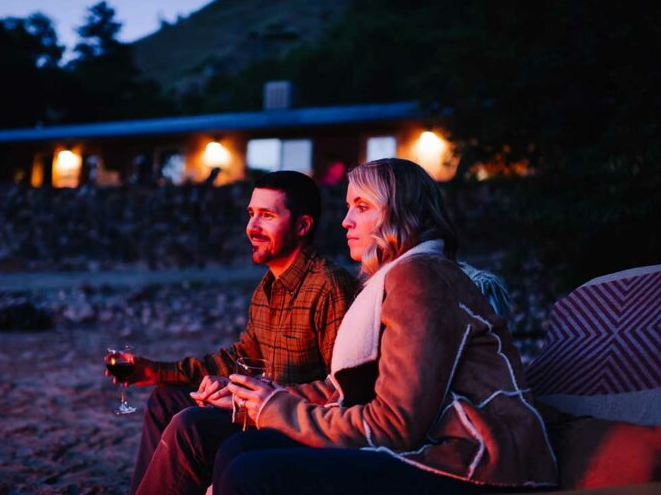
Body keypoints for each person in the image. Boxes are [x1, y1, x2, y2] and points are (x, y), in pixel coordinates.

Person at [214, 159, 559, 495]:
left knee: (252, 472)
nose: (346, 221)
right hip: (433, 443)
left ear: (401, 214)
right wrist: (262, 397)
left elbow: (393, 425)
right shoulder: (391, 280)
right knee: (242, 449)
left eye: (362, 207)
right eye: (349, 207)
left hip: (473, 459)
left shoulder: (420, 279)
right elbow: (346, 388)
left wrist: (279, 410)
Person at [106, 170, 358, 495]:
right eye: (251, 214)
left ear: (302, 226)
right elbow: (238, 358)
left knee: (191, 427)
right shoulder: (268, 288)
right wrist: (155, 371)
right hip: (254, 409)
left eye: (267, 216)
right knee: (167, 399)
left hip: (293, 424)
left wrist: (256, 398)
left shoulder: (329, 286)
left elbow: (342, 389)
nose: (251, 228)